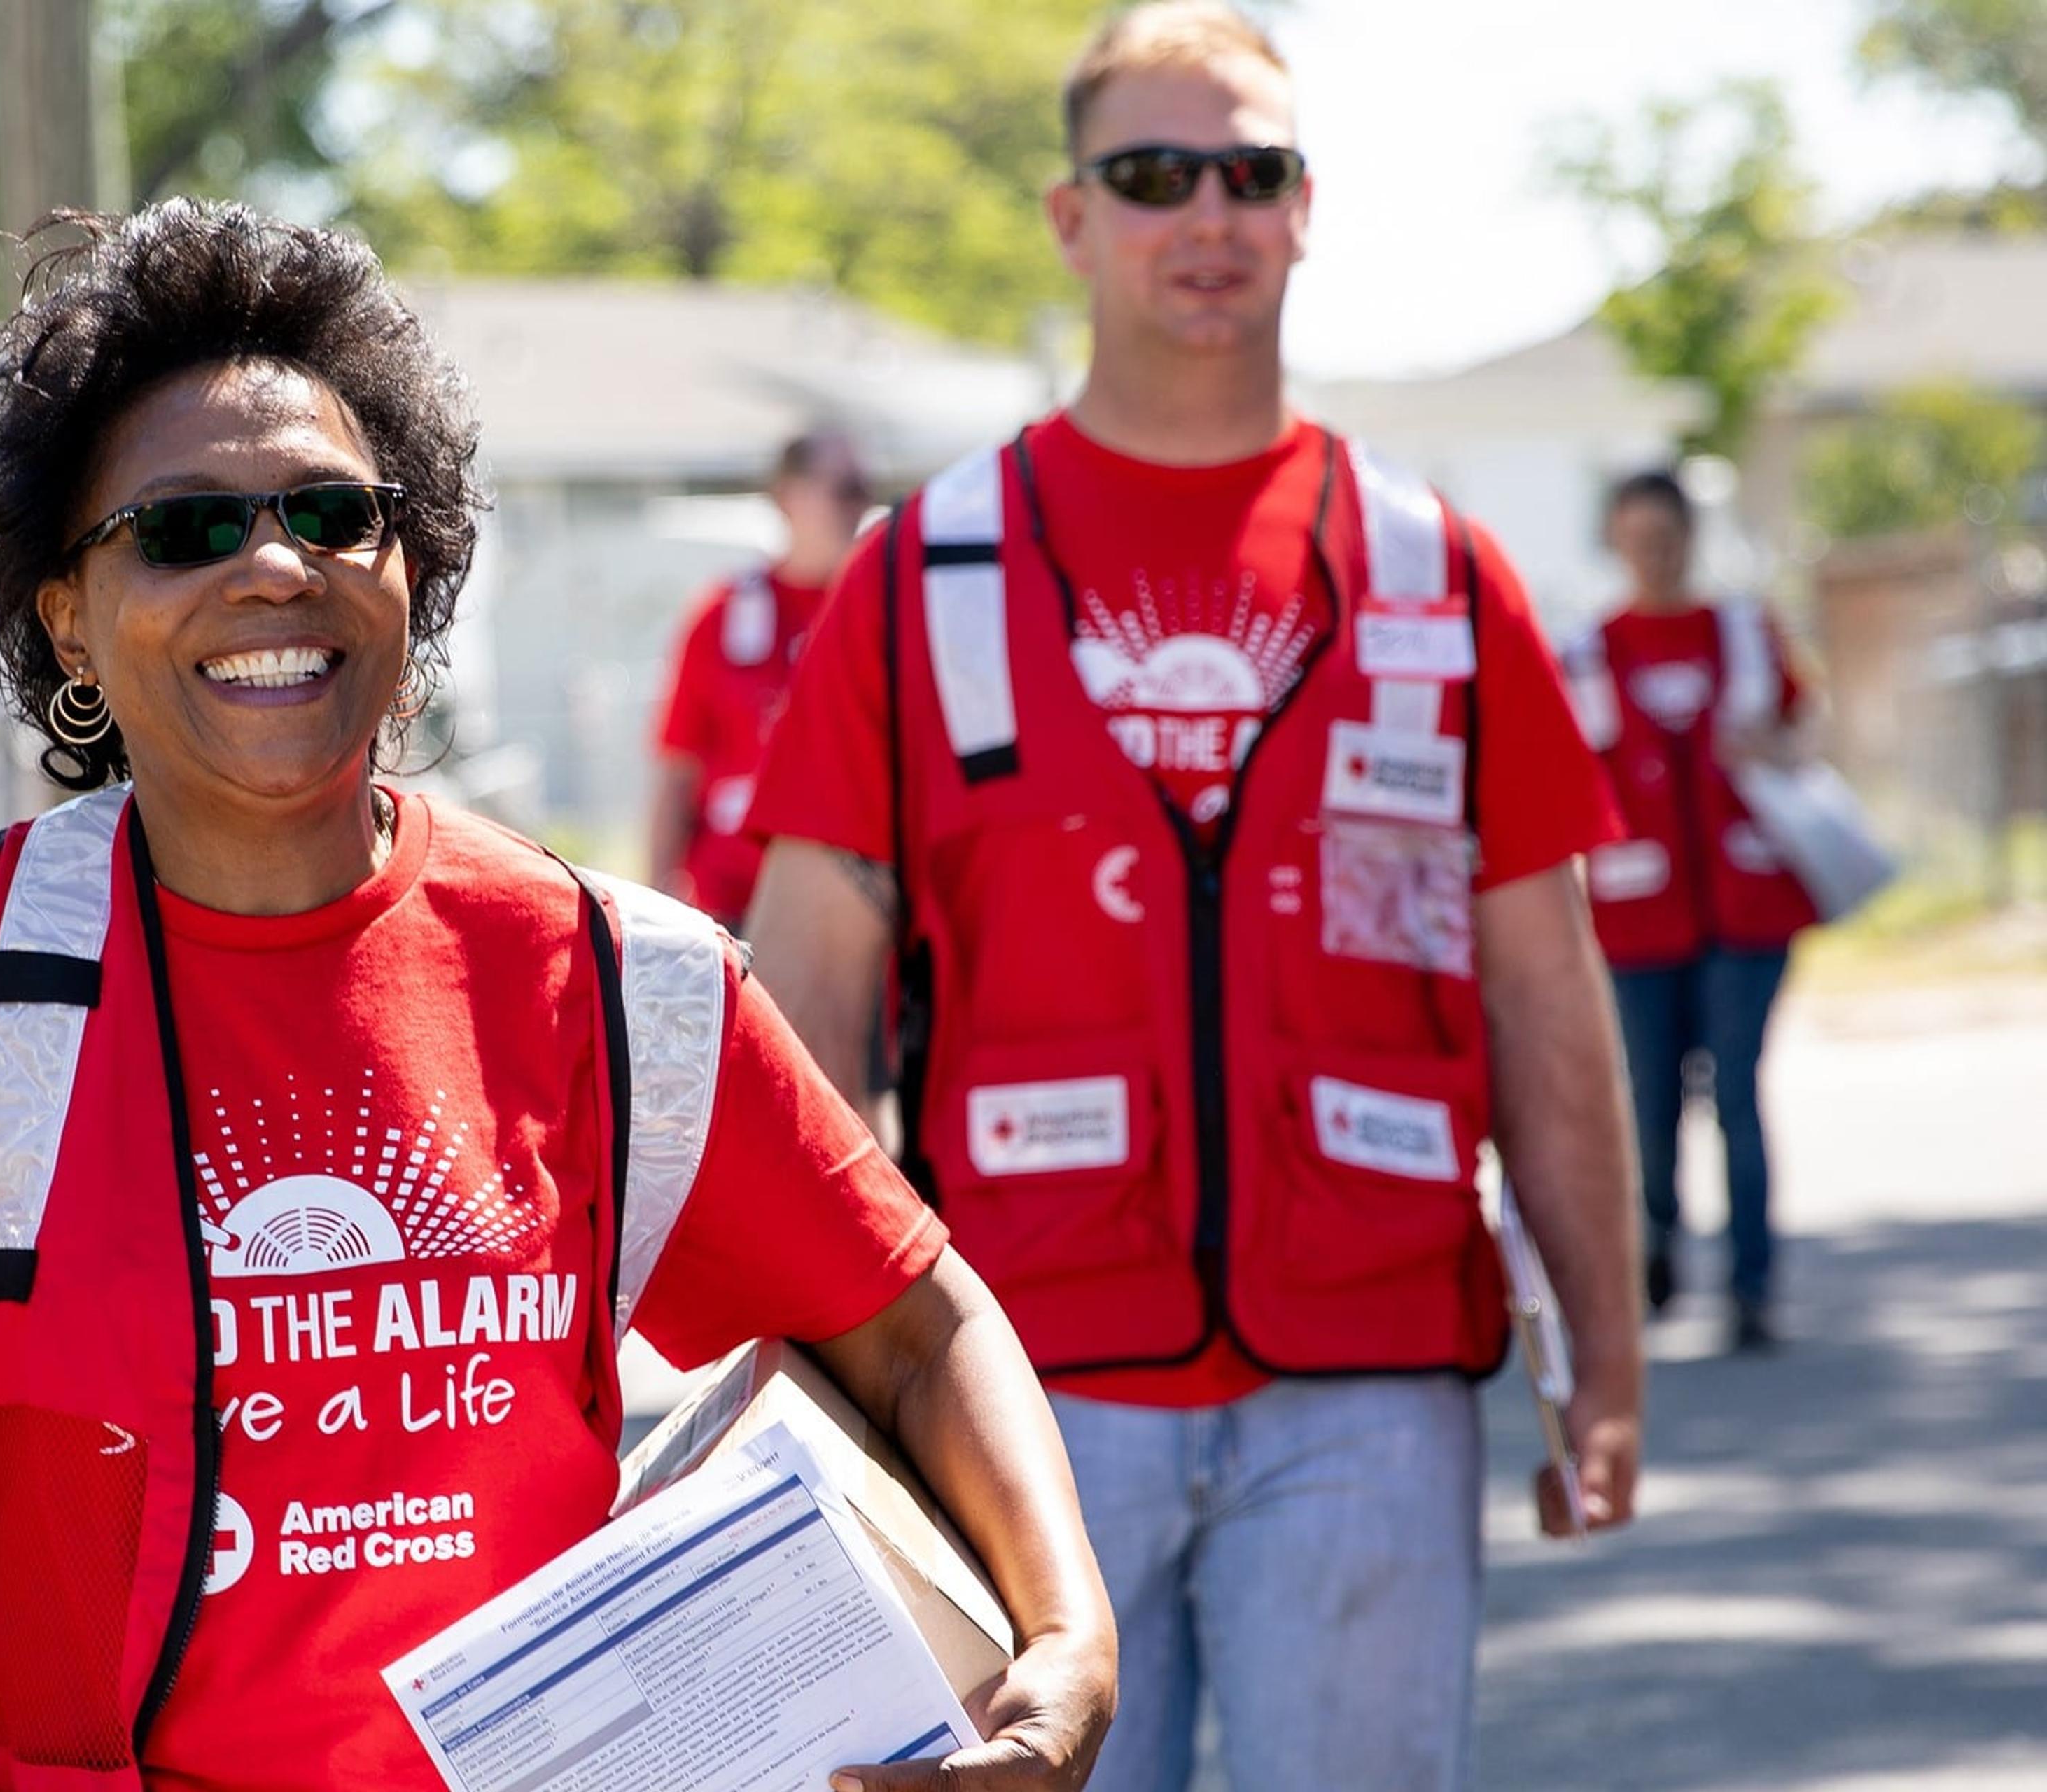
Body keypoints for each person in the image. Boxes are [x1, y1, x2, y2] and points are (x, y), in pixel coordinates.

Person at [0, 202, 1113, 1792]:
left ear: (414, 574)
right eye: (183, 528)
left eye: (332, 512)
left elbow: (919, 1330)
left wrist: (1066, 1638)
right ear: (67, 618)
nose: (275, 564)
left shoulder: (607, 977)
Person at [739, 6, 1644, 1787]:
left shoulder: (1433, 572)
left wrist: (1602, 1349)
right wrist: (813, 1385)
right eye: (1152, 176)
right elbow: (802, 1020)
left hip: (1370, 1384)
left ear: (1306, 211)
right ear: (1072, 219)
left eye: (1252, 173)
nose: (1206, 215)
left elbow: (1547, 990)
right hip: (1022, 1400)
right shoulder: (919, 578)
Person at [1565, 470, 1818, 1353]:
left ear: (1687, 536)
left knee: (1738, 1092)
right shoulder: (1591, 651)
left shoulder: (1743, 633)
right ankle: (1658, 1244)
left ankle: (1752, 1284)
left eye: (1665, 537)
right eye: (1636, 539)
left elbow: (1803, 727)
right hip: (1640, 918)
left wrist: (1775, 749)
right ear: (1616, 541)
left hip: (1746, 909)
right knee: (1651, 1095)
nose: (1653, 554)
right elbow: (1566, 778)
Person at [650, 429, 875, 930]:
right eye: (843, 489)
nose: (856, 506)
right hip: (729, 910)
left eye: (863, 490)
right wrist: (653, 908)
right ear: (788, 496)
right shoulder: (723, 616)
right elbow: (676, 772)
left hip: (848, 917)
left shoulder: (883, 617)